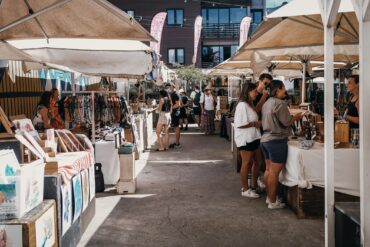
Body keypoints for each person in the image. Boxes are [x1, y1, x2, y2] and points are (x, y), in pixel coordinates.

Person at [261, 80, 304, 209]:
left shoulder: (266, 103)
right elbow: (286, 122)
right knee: (274, 172)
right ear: (277, 89)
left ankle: (270, 198)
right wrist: (296, 117)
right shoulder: (280, 103)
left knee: (268, 170)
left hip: (265, 139)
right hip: (276, 140)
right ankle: (273, 201)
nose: (285, 90)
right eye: (283, 88)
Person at [234, 83, 263, 198]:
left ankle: (254, 185)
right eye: (254, 91)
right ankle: (245, 189)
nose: (256, 93)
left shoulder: (248, 104)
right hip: (246, 139)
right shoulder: (242, 105)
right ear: (248, 92)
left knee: (258, 162)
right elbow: (240, 124)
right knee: (246, 163)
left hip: (254, 137)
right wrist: (255, 123)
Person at [165, 83, 181, 148]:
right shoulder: (173, 94)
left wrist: (170, 109)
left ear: (172, 87)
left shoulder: (176, 94)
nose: (168, 88)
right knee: (175, 128)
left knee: (176, 128)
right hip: (174, 113)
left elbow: (178, 104)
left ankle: (177, 143)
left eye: (169, 87)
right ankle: (177, 142)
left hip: (175, 113)